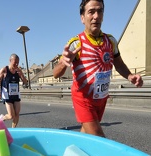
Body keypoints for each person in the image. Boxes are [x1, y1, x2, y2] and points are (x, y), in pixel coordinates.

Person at [53, 0, 143, 137]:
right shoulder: (76, 43)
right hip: (83, 99)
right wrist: (63, 62)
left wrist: (130, 76)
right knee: (99, 138)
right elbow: (55, 74)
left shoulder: (111, 41)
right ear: (82, 18)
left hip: (101, 98)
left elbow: (118, 64)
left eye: (99, 11)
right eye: (91, 12)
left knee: (86, 136)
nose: (96, 16)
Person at [0, 53, 28, 128]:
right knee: (11, 116)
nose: (16, 64)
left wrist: (21, 74)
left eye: (17, 62)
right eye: (15, 62)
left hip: (16, 94)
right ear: (10, 60)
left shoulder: (18, 70)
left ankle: (13, 130)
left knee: (17, 114)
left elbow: (25, 82)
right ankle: (3, 117)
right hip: (7, 95)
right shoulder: (5, 70)